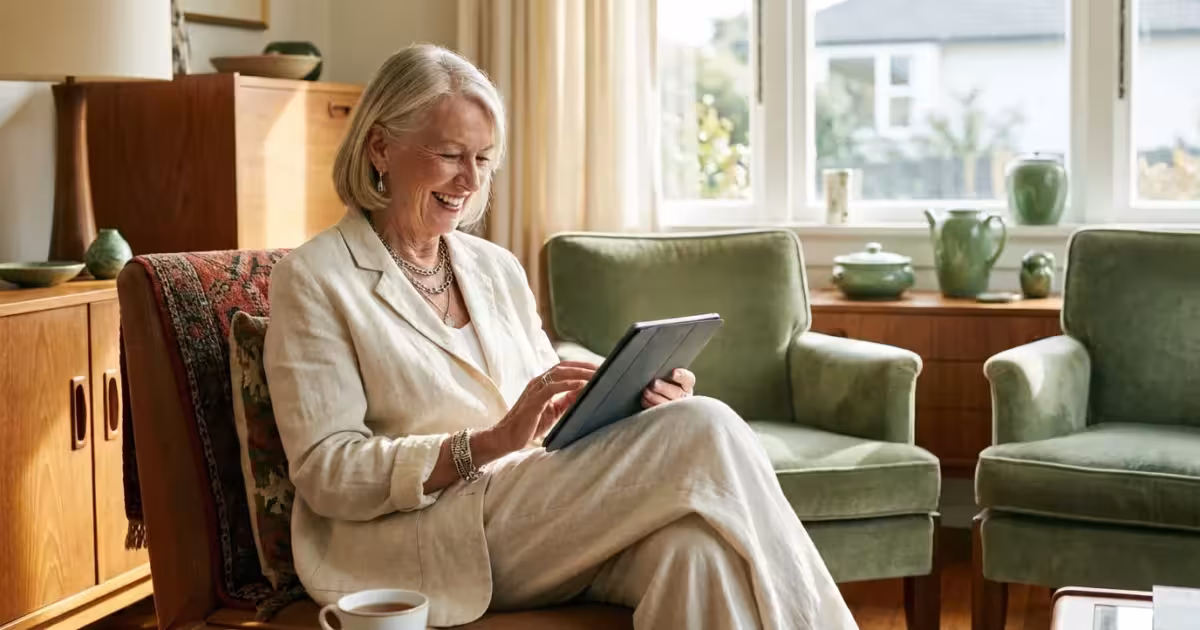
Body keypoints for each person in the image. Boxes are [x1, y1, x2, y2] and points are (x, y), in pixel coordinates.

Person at [262, 43, 858, 630]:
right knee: (706, 426)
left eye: (484, 159)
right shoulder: (316, 279)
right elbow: (326, 470)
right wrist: (486, 444)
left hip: (535, 514)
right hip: (426, 538)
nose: (470, 180)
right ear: (380, 147)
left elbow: (548, 413)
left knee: (695, 555)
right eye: (449, 155)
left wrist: (626, 408)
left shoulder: (495, 268)